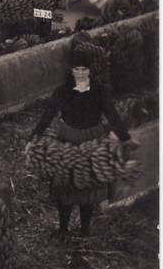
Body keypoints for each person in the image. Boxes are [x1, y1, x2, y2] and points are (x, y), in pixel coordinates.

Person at [29, 49, 131, 237]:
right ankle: (63, 229)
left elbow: (112, 114)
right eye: (77, 69)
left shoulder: (99, 91)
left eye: (84, 69)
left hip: (92, 140)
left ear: (90, 70)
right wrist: (35, 136)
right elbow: (48, 114)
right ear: (71, 70)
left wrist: (124, 137)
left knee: (88, 188)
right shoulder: (62, 91)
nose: (81, 73)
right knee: (65, 185)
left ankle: (85, 230)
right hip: (67, 139)